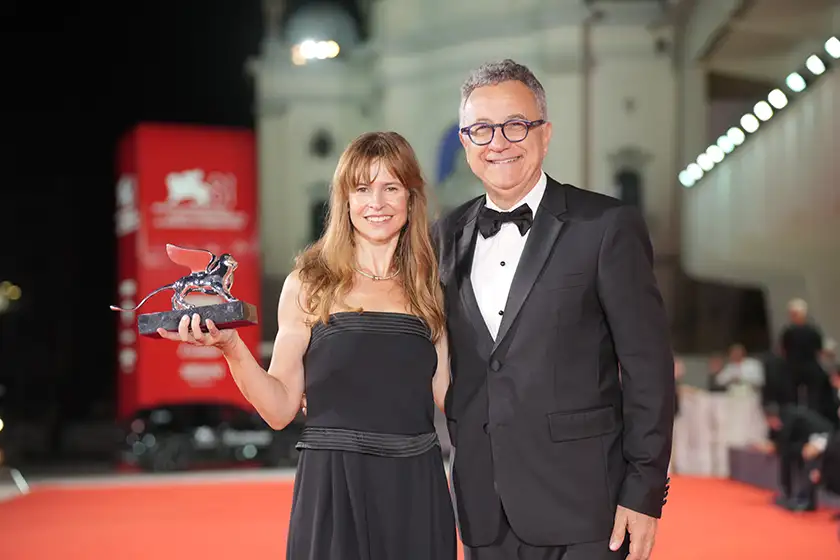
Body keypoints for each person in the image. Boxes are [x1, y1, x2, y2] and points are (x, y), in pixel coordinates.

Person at [158, 131, 457, 560]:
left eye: (391, 187)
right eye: (363, 188)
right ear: (345, 200)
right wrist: (232, 347)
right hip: (333, 487)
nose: (377, 202)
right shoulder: (309, 283)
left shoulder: (432, 288)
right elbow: (280, 409)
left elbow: (452, 396)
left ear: (410, 199)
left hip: (415, 487)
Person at [432, 59, 674, 560]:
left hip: (589, 508)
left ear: (545, 134)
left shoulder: (606, 225)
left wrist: (644, 491)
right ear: (464, 142)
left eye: (515, 125)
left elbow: (648, 369)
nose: (498, 142)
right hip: (483, 506)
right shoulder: (444, 235)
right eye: (481, 130)